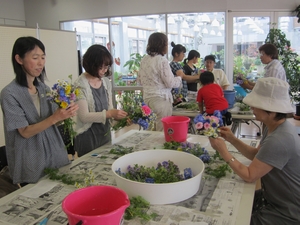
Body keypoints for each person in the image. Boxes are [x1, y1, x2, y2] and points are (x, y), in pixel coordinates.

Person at [209, 77, 300, 225]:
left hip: (288, 211)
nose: (252, 108)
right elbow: (257, 155)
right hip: (272, 197)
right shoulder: (273, 126)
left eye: (256, 105)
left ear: (271, 111)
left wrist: (223, 151)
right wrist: (232, 139)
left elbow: (250, 175)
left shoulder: (279, 139)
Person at [0, 36, 79, 185]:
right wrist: (55, 117)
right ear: (19, 59)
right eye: (35, 57)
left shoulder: (43, 89)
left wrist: (65, 113)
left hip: (55, 154)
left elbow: (52, 121)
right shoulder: (9, 94)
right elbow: (25, 132)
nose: (41, 62)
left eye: (43, 57)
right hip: (31, 160)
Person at [74, 44, 128, 157]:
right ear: (92, 64)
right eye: (101, 67)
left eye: (107, 66)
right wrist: (109, 113)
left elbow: (109, 108)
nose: (105, 70)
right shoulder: (80, 84)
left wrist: (119, 117)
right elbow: (84, 116)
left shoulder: (105, 82)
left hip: (104, 133)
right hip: (87, 136)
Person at [137, 32, 183, 131]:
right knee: (162, 132)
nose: (167, 47)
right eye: (166, 44)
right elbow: (170, 83)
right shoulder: (162, 60)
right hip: (161, 101)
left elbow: (140, 80)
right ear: (161, 45)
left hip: (147, 101)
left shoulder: (144, 60)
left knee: (149, 131)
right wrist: (179, 78)